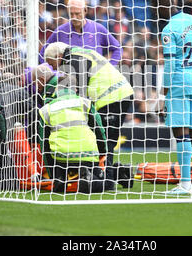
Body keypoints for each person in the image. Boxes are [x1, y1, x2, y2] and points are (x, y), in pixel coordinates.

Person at [43, 42, 134, 189]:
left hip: (110, 98)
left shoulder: (73, 60)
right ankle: (116, 173)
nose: (52, 68)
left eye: (51, 63)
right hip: (121, 94)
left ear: (58, 56)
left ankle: (107, 180)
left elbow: (80, 91)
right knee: (105, 139)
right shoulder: (80, 52)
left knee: (105, 140)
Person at [154, 0, 192, 195]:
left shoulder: (169, 30)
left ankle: (186, 183)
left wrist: (163, 95)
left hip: (179, 83)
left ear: (161, 8)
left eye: (155, 10)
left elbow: (170, 65)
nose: (155, 14)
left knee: (180, 134)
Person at [37, 75, 109, 194]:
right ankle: (90, 177)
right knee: (103, 184)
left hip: (60, 157)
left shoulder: (46, 109)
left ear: (56, 90)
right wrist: (102, 152)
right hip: (88, 154)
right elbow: (99, 130)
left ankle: (60, 179)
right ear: (75, 89)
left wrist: (52, 175)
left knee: (53, 151)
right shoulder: (85, 103)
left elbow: (43, 143)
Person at [39, 0, 122, 66]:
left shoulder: (98, 28)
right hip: (68, 80)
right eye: (71, 14)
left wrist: (110, 67)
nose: (74, 17)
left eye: (77, 13)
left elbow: (117, 48)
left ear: (85, 10)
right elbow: (42, 54)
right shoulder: (60, 31)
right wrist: (52, 72)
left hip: (94, 79)